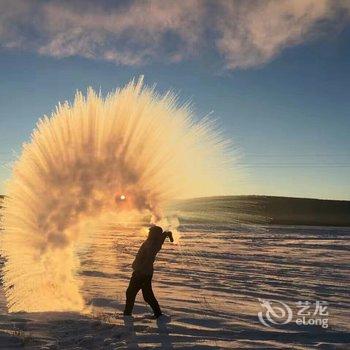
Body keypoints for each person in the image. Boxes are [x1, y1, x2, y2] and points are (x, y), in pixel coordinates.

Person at [123, 225, 174, 318]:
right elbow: (164, 235)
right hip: (144, 272)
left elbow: (149, 259)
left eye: (151, 232)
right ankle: (158, 314)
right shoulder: (153, 241)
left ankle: (127, 315)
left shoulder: (153, 244)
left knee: (131, 293)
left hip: (142, 273)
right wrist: (167, 234)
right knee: (146, 295)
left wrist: (139, 270)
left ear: (154, 234)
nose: (149, 233)